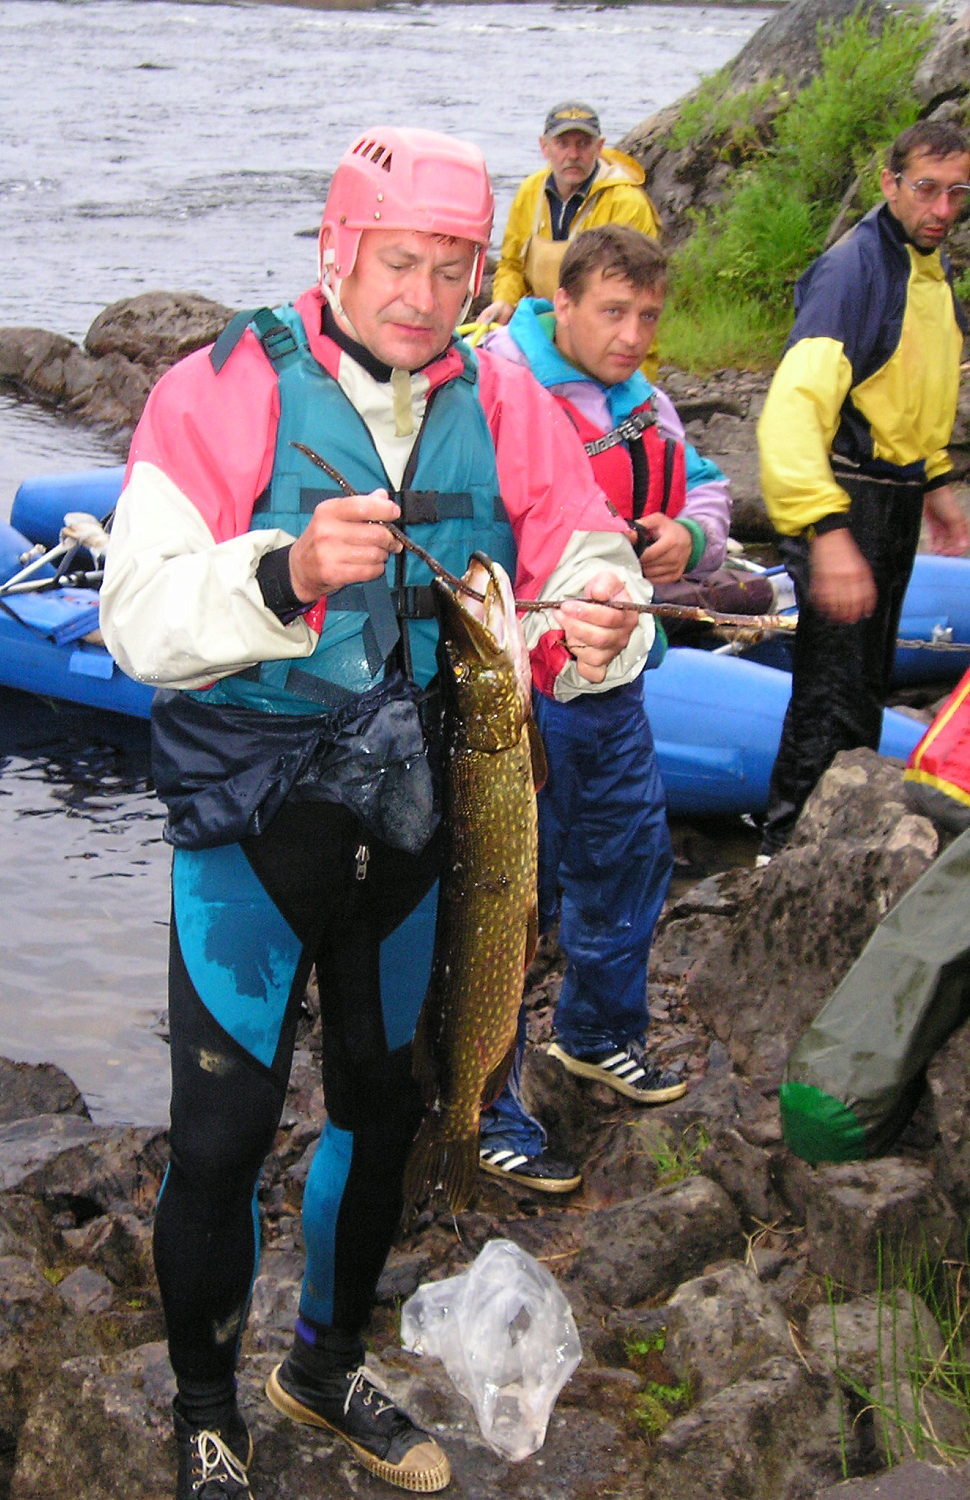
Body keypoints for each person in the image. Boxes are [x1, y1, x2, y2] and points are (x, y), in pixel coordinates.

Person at [99, 126, 653, 1500]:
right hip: (255, 827)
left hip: (421, 836)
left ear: (482, 269)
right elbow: (138, 617)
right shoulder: (218, 388)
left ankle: (322, 1360)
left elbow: (583, 546)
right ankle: (209, 1406)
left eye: (452, 265)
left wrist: (602, 623)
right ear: (336, 250)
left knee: (386, 1110)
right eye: (397, 260)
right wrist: (281, 572)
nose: (422, 292)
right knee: (222, 1139)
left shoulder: (511, 398)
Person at [476, 225, 730, 1191]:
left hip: (615, 675)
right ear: (565, 303)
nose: (632, 335)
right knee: (507, 899)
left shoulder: (649, 406)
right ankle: (482, 1102)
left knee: (629, 853)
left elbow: (706, 488)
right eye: (613, 313)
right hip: (519, 689)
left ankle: (594, 1032)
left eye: (649, 317)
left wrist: (686, 539)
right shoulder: (497, 386)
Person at [757, 119, 970, 862]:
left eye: (955, 193)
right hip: (838, 494)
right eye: (924, 190)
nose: (940, 208)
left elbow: (914, 390)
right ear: (888, 184)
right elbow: (790, 413)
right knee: (831, 692)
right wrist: (825, 531)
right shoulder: (854, 271)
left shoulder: (928, 273)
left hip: (891, 497)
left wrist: (936, 481)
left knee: (866, 682)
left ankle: (831, 842)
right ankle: (788, 850)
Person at [477, 101, 660, 332]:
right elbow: (512, 265)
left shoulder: (628, 203)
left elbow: (638, 293)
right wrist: (504, 301)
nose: (572, 155)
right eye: (562, 144)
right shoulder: (529, 191)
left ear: (599, 147)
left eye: (583, 144)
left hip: (605, 332)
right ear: (544, 147)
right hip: (543, 328)